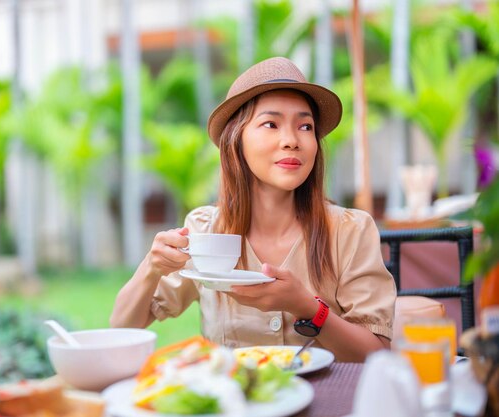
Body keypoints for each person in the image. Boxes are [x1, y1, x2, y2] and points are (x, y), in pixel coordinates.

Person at [110, 57, 396, 362]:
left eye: (305, 126)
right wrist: (151, 268)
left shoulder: (351, 230)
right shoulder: (205, 229)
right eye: (271, 124)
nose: (291, 140)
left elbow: (377, 355)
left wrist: (309, 309)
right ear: (237, 140)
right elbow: (123, 328)